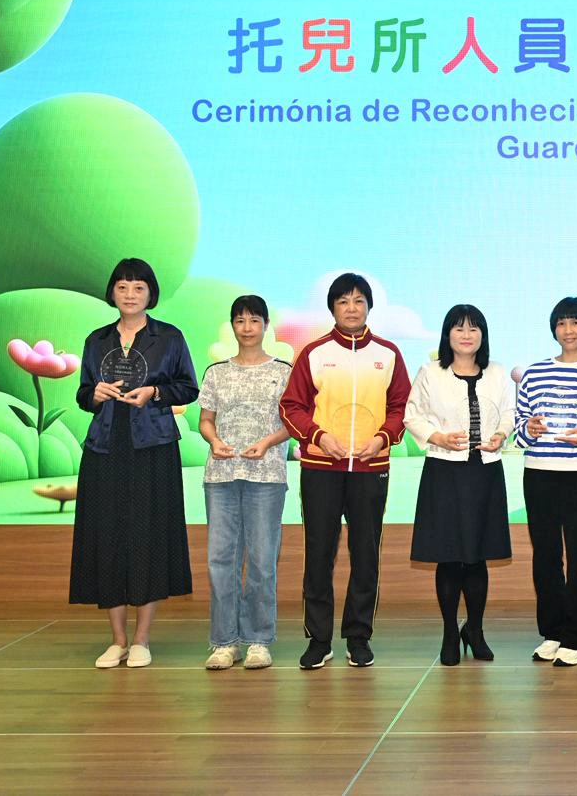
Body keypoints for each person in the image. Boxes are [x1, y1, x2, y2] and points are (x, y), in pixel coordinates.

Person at [70, 258, 198, 669]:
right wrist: (94, 395)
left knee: (148, 537)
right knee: (107, 538)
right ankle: (117, 640)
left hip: (153, 448)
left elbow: (188, 388)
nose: (130, 295)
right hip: (105, 449)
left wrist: (155, 393)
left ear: (150, 294)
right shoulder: (97, 340)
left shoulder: (169, 337)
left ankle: (142, 639)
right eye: (123, 287)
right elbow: (83, 393)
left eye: (139, 287)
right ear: (112, 292)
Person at [280, 273, 411, 670]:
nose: (351, 308)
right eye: (343, 301)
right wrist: (318, 437)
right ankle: (319, 639)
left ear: (369, 306)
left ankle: (358, 636)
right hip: (321, 468)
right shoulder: (314, 353)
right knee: (319, 552)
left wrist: (383, 438)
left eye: (358, 301)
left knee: (366, 553)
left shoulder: (388, 354)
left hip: (371, 466)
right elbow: (291, 406)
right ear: (332, 308)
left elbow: (401, 407)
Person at [408, 305, 515, 666]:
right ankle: (450, 633)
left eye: (473, 329)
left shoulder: (496, 372)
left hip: (485, 472)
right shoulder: (430, 372)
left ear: (483, 335)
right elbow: (412, 416)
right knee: (450, 555)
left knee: (477, 555)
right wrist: (437, 436)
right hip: (444, 472)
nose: (466, 335)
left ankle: (476, 630)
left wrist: (500, 435)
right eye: (458, 328)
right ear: (447, 335)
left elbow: (508, 413)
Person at [516, 297, 577, 668]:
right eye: (561, 323)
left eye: (575, 322)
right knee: (545, 556)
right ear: (554, 329)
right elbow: (519, 426)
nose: (568, 330)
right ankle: (553, 632)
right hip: (539, 473)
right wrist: (527, 429)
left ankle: (576, 636)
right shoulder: (535, 373)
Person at [198, 295, 292, 671]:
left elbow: (292, 423)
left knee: (262, 560)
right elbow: (206, 420)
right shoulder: (216, 373)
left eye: (254, 320)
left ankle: (258, 640)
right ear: (232, 326)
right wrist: (214, 440)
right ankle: (224, 642)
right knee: (220, 560)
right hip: (220, 475)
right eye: (240, 321)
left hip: (266, 476)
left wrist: (267, 442)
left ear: (266, 325)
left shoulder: (283, 371)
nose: (247, 327)